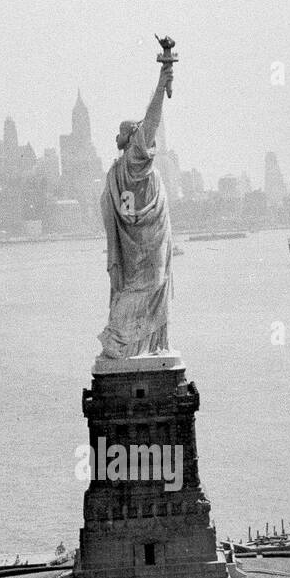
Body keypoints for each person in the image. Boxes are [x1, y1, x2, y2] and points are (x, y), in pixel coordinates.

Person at [98, 59, 175, 360]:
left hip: (143, 241)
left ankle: (148, 344)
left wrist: (161, 83)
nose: (117, 136)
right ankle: (137, 343)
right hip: (144, 241)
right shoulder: (128, 164)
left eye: (122, 131)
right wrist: (161, 82)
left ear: (133, 137)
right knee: (147, 289)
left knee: (144, 290)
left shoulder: (132, 159)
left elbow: (152, 119)